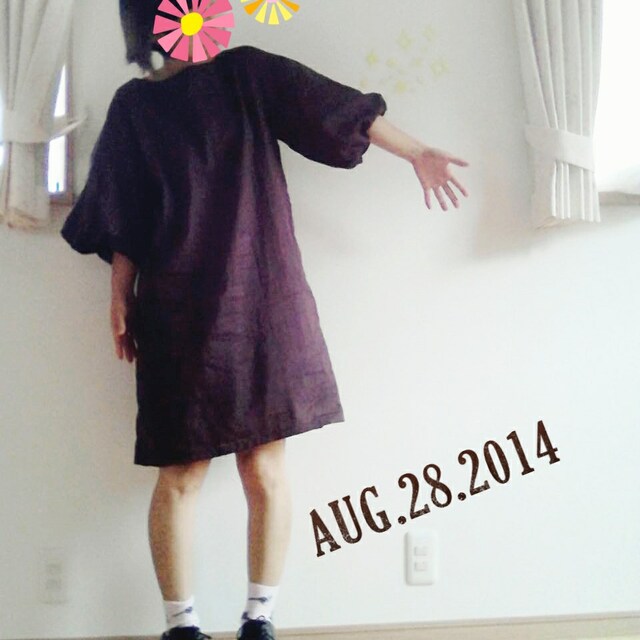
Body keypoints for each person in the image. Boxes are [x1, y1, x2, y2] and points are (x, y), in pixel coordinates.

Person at [60, 2, 469, 640]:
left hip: (261, 298)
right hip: (176, 309)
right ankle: (181, 627)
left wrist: (416, 152)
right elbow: (124, 216)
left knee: (264, 467)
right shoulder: (133, 108)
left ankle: (260, 619)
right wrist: (118, 295)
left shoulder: (245, 74)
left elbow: (338, 108)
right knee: (180, 472)